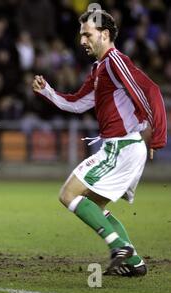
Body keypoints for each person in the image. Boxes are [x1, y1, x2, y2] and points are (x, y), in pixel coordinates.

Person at [32, 10, 167, 277]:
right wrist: (47, 91)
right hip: (123, 146)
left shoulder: (115, 61)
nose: (82, 40)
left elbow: (150, 90)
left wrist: (158, 135)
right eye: (81, 34)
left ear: (104, 35)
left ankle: (118, 246)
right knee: (94, 205)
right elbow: (77, 103)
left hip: (121, 146)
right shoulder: (99, 69)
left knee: (68, 194)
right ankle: (134, 262)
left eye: (87, 34)